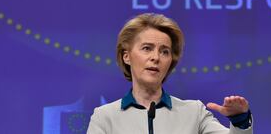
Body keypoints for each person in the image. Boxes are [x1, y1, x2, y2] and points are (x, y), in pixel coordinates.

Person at [87, 13, 253, 134]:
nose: (156, 57)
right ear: (127, 56)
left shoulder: (194, 112)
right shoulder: (105, 117)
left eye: (164, 51)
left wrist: (240, 120)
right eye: (147, 48)